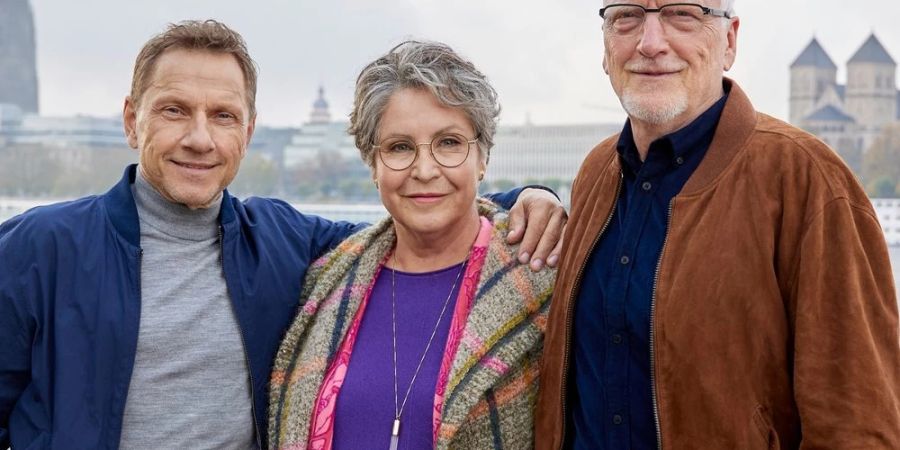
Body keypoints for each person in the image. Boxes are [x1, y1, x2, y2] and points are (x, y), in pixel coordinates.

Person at [0, 21, 567, 450]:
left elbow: (423, 219)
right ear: (131, 121)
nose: (200, 138)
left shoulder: (284, 244)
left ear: (247, 130)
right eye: (174, 110)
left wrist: (533, 198)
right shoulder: (36, 250)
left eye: (223, 115)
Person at [536, 1, 900, 449]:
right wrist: (526, 196)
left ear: (729, 42)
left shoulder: (805, 179)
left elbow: (857, 424)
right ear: (606, 45)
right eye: (626, 16)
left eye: (682, 14)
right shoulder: (597, 173)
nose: (651, 43)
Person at [268, 40, 556, 450]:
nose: (424, 170)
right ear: (373, 164)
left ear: (483, 158)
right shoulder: (325, 280)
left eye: (449, 143)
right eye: (400, 147)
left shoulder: (543, 278)